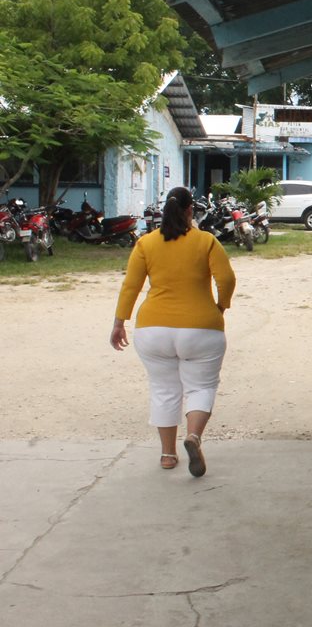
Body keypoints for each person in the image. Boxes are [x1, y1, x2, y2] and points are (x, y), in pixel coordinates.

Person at [109, 186, 236, 476]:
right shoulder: (206, 241)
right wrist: (221, 306)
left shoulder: (146, 243)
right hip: (201, 328)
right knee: (201, 387)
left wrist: (119, 322)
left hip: (153, 329)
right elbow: (226, 279)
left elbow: (131, 286)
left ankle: (168, 454)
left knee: (164, 389)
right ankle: (193, 437)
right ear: (191, 210)